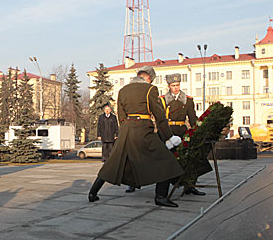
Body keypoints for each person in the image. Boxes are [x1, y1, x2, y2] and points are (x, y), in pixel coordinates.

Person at [88, 66, 184, 207]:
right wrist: (169, 136)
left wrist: (126, 128)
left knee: (113, 162)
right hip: (143, 129)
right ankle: (161, 197)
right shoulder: (150, 89)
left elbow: (121, 116)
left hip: (126, 129)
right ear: (149, 78)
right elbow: (159, 116)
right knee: (165, 160)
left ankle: (93, 192)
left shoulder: (123, 90)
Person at [160, 73, 207, 196]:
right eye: (173, 85)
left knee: (190, 159)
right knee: (167, 160)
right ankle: (164, 188)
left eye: (177, 85)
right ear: (168, 86)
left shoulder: (187, 99)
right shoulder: (162, 100)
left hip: (182, 131)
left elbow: (192, 118)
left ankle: (190, 186)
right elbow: (160, 119)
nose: (176, 87)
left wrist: (197, 130)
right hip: (168, 132)